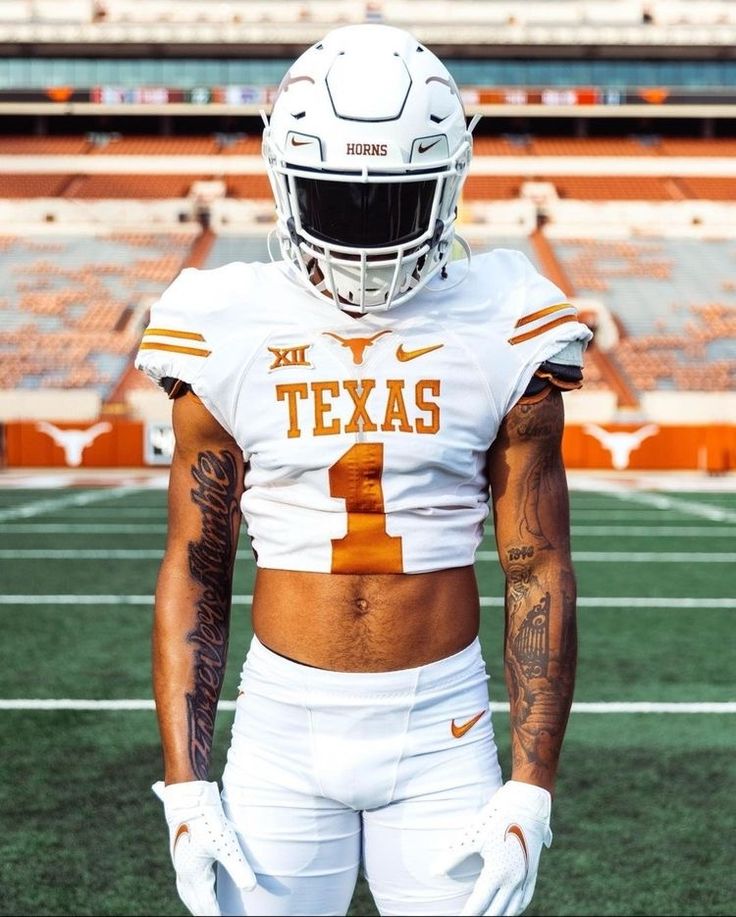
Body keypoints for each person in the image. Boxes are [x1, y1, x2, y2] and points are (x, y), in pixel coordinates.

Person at [137, 23, 592, 917]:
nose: (365, 238)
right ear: (285, 183)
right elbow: (196, 564)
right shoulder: (225, 320)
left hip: (442, 727)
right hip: (277, 725)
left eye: (393, 204)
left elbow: (538, 565)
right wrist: (185, 788)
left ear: (449, 185)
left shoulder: (507, 319)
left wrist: (531, 783)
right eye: (339, 202)